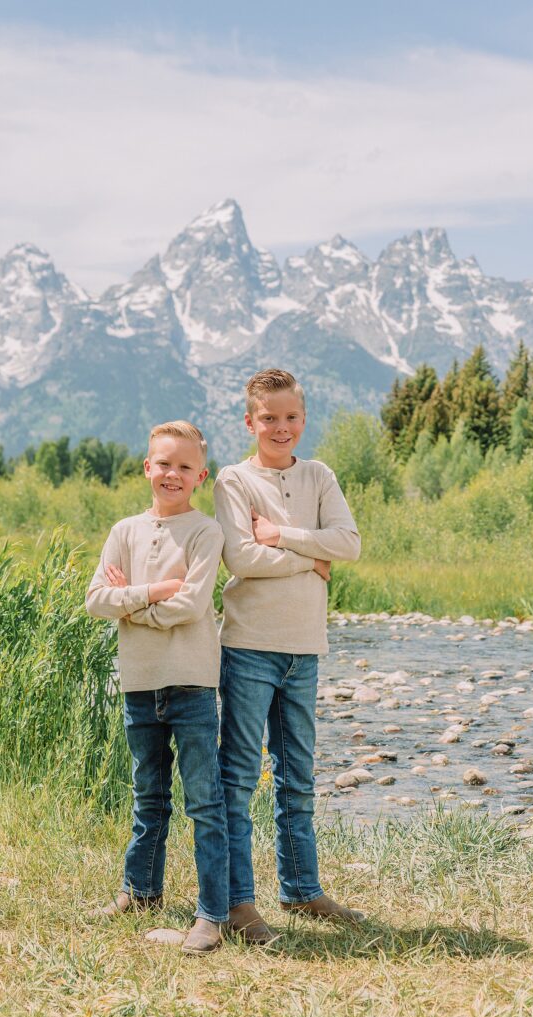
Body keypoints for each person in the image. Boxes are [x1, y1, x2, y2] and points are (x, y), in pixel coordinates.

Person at [213, 368, 364, 944]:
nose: (282, 427)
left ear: (303, 418)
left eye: (291, 417)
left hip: (305, 649)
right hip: (249, 647)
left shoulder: (319, 475)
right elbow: (241, 559)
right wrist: (312, 558)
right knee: (238, 778)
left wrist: (282, 535)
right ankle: (237, 902)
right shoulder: (233, 479)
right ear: (249, 421)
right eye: (269, 418)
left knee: (297, 778)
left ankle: (302, 889)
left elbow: (349, 543)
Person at [86, 420, 228, 955]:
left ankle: (211, 914)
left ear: (200, 476)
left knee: (205, 802)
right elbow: (96, 599)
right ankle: (140, 892)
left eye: (185, 466)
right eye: (164, 463)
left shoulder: (205, 532)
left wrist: (131, 604)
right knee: (148, 795)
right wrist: (154, 591)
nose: (173, 473)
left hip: (192, 683)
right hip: (140, 683)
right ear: (147, 467)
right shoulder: (124, 531)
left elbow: (190, 606)